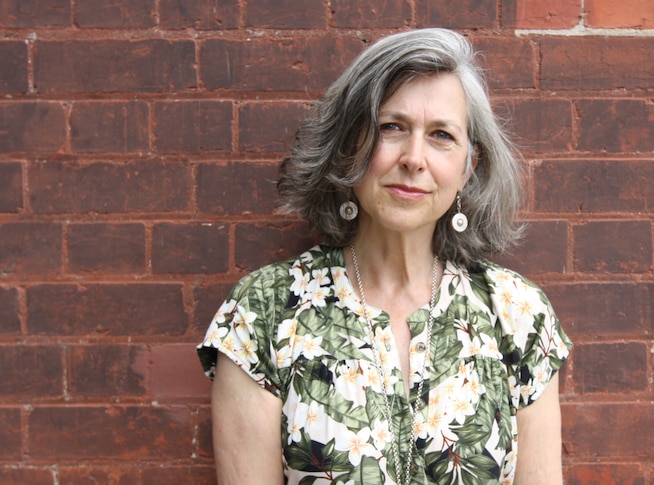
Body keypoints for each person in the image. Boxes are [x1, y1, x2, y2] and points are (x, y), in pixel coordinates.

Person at [197, 28, 572, 485]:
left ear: (467, 167)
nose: (414, 158)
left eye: (441, 135)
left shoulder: (516, 315)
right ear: (349, 145)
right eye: (391, 127)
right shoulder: (266, 313)